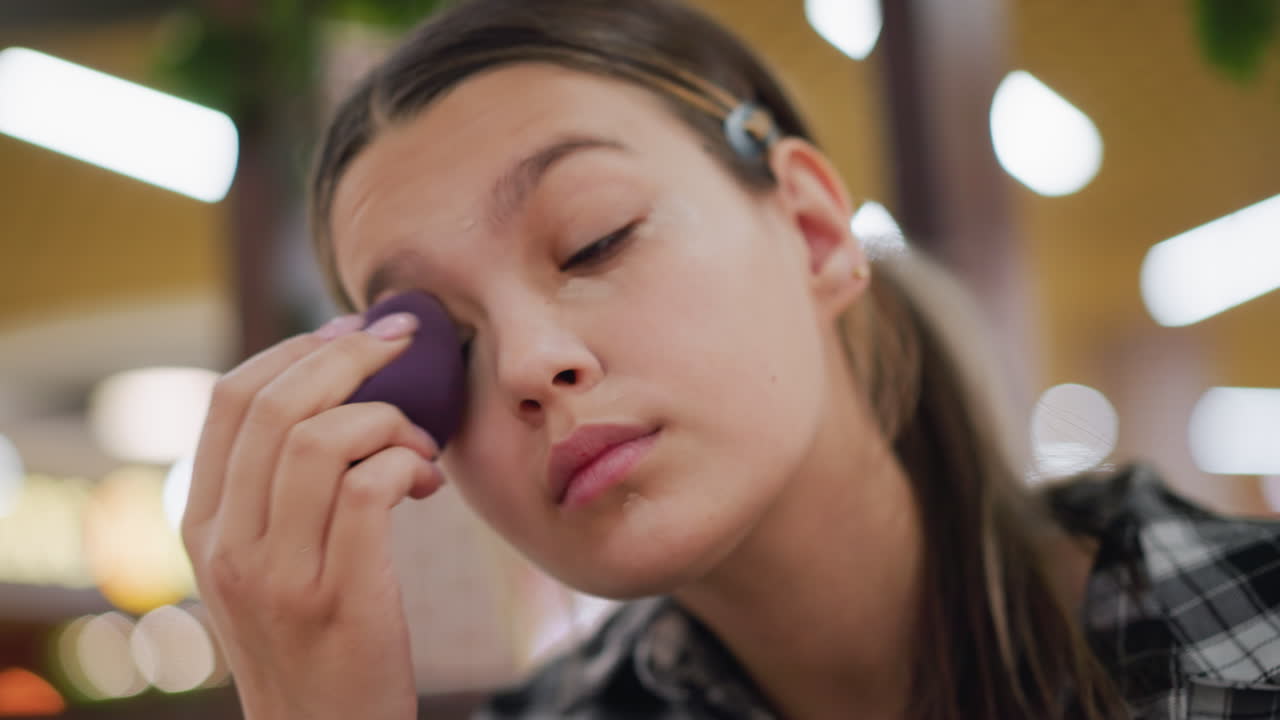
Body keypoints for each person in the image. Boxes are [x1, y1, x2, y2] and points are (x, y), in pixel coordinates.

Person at [180, 1, 1280, 718]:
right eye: (443, 341)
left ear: (809, 229)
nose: (526, 363)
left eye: (593, 237)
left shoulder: (1246, 630)